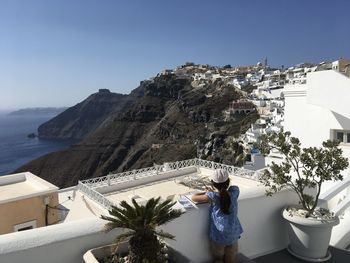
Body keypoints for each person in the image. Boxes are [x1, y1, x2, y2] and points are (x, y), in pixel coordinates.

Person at [192, 169, 243, 263]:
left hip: (219, 236)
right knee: (230, 260)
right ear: (228, 182)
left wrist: (207, 192)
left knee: (218, 259)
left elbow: (194, 197)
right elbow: (230, 190)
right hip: (233, 233)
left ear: (213, 183)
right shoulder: (235, 192)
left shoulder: (212, 197)